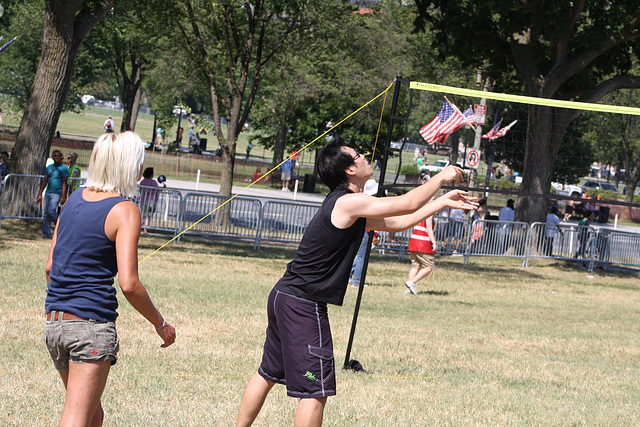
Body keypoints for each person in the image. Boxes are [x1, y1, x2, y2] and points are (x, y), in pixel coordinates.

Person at [236, 139, 477, 427]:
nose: (365, 158)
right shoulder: (349, 202)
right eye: (359, 155)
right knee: (316, 390)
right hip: (302, 304)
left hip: (284, 296)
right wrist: (441, 177)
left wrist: (441, 202)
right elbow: (408, 202)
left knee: (268, 373)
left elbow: (399, 221)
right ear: (350, 169)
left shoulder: (350, 205)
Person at [44, 132, 176, 427]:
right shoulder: (125, 211)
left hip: (54, 322)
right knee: (78, 417)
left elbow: (51, 267)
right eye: (139, 161)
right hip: (89, 327)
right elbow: (129, 284)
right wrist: (161, 324)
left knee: (93, 416)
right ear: (128, 166)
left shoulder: (75, 198)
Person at [36, 150, 69, 238]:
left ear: (61, 157)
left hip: (57, 193)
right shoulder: (49, 168)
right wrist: (40, 194)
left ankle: (60, 225)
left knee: (51, 210)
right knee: (45, 213)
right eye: (55, 156)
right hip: (48, 192)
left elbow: (64, 182)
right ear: (52, 157)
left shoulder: (63, 168)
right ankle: (46, 233)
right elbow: (45, 181)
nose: (57, 157)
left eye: (58, 156)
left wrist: (63, 196)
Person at [405, 207, 437, 295]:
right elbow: (429, 229)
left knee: (415, 266)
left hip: (414, 241)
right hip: (423, 243)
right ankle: (412, 283)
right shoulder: (429, 212)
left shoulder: (418, 212)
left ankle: (408, 289)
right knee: (429, 267)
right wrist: (434, 243)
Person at [139, 167, 160, 235]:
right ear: (151, 174)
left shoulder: (143, 182)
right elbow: (157, 190)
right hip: (151, 201)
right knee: (148, 216)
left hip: (143, 200)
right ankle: (145, 229)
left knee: (143, 215)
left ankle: (139, 228)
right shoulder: (153, 182)